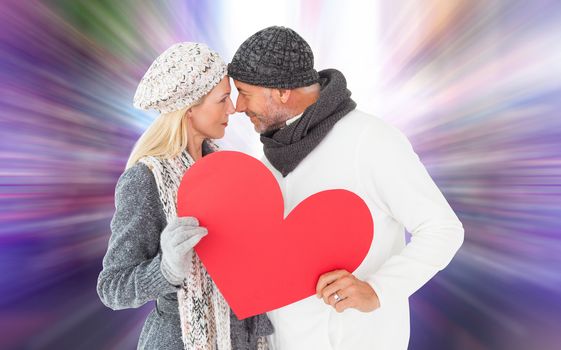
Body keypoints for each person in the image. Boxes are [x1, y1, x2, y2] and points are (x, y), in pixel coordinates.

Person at [228, 26, 464, 350]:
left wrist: (378, 289)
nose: (238, 106)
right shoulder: (271, 156)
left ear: (282, 91)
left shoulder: (370, 141)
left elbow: (442, 229)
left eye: (245, 92)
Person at [97, 42, 273, 350]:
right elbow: (113, 288)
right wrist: (167, 269)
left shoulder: (227, 171)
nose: (232, 108)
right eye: (222, 99)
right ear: (189, 109)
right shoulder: (145, 180)